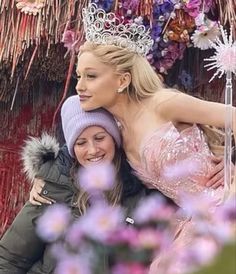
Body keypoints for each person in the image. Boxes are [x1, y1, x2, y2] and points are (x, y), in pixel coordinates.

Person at [74, 3, 236, 273]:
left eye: (90, 76)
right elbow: (75, 149)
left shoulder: (162, 103)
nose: (79, 86)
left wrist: (233, 163)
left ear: (122, 80)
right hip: (192, 223)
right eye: (80, 76)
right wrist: (40, 183)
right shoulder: (113, 128)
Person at [0, 95, 153, 274]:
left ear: (114, 137)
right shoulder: (53, 188)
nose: (93, 150)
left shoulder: (141, 187)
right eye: (81, 143)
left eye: (99, 138)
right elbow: (10, 259)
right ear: (72, 149)